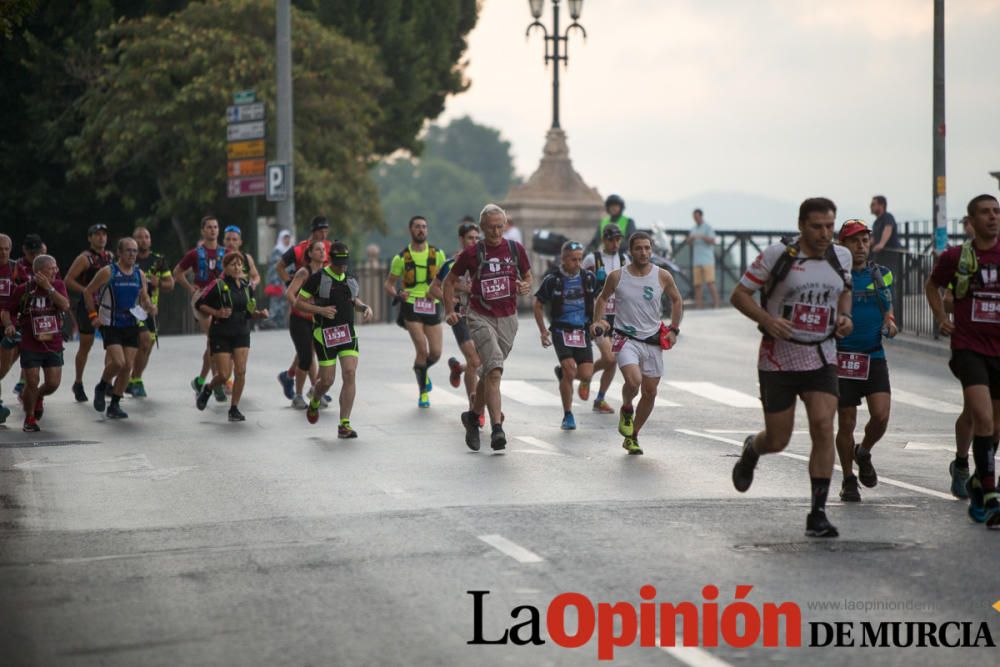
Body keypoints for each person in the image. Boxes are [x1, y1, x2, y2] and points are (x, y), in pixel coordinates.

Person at [730, 197, 853, 538]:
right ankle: (752, 450)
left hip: (821, 354)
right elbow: (739, 294)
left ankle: (818, 513)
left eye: (830, 226)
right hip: (778, 358)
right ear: (801, 226)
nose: (825, 233)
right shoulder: (777, 256)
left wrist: (845, 317)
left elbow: (845, 291)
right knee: (778, 439)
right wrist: (767, 320)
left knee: (823, 424)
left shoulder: (840, 256)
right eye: (817, 227)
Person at [925, 194, 1000, 527]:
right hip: (969, 347)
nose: (993, 217)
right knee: (981, 419)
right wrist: (941, 317)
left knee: (996, 426)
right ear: (972, 220)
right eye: (985, 212)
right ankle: (990, 496)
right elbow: (932, 285)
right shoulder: (956, 256)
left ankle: (976, 480)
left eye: (997, 211)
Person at [444, 204, 532, 452]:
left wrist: (525, 285)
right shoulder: (472, 253)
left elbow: (528, 276)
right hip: (479, 316)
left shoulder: (515, 249)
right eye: (491, 227)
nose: (496, 231)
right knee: (494, 370)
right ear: (482, 228)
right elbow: (449, 282)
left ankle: (472, 416)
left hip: (508, 318)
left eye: (500, 226)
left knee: (489, 371)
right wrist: (449, 310)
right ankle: (496, 429)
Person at [592, 232, 683, 454]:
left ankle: (633, 435)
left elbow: (677, 299)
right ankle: (626, 407)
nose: (643, 252)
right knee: (634, 382)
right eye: (639, 248)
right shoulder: (617, 276)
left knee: (650, 392)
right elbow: (603, 298)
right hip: (626, 338)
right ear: (630, 251)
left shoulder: (663, 276)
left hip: (652, 340)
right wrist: (599, 320)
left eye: (647, 248)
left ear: (651, 250)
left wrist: (674, 329)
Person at [833, 220, 897, 502]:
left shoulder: (881, 274)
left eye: (864, 240)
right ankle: (848, 479)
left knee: (881, 416)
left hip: (873, 355)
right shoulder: (833, 277)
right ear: (842, 245)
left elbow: (888, 309)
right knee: (846, 422)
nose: (860, 246)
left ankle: (864, 451)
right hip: (843, 358)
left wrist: (890, 323)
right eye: (853, 241)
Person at [294, 241, 373, 435]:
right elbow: (299, 303)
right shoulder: (317, 278)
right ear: (331, 260)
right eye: (339, 263)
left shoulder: (351, 278)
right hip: (325, 335)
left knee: (350, 373)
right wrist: (321, 310)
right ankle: (315, 400)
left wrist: (364, 308)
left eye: (345, 262)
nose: (342, 266)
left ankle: (344, 424)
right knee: (327, 381)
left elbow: (353, 300)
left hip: (347, 333)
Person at [84, 237, 157, 420]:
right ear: (120, 253)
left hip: (131, 323)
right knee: (118, 362)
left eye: (135, 251)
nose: (132, 254)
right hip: (111, 323)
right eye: (128, 251)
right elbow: (87, 291)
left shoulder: (139, 274)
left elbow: (143, 297)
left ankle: (115, 404)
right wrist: (93, 316)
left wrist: (149, 306)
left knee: (128, 367)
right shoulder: (108, 271)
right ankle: (101, 386)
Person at [194, 252, 269, 422]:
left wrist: (260, 314)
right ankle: (208, 388)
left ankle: (234, 408)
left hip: (241, 333)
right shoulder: (218, 285)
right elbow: (200, 304)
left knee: (241, 371)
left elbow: (249, 312)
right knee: (224, 375)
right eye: (232, 264)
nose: (236, 267)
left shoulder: (246, 286)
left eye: (239, 264)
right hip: (221, 334)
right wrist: (217, 312)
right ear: (225, 267)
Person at [535, 241, 600, 430]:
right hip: (561, 330)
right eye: (573, 259)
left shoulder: (588, 277)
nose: (577, 263)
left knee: (586, 374)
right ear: (563, 259)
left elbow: (599, 299)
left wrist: (597, 322)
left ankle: (564, 374)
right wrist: (542, 331)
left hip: (582, 331)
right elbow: (538, 305)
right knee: (570, 371)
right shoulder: (552, 279)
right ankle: (568, 415)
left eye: (580, 259)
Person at [384, 215, 447, 408]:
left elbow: (446, 281)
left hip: (431, 303)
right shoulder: (401, 258)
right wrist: (398, 294)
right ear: (410, 230)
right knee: (422, 348)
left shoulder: (438, 255)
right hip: (411, 304)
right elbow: (389, 284)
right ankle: (423, 394)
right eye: (417, 227)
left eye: (424, 227)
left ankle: (421, 370)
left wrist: (444, 296)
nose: (421, 230)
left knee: (435, 353)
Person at [1, 255, 69, 432]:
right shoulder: (24, 290)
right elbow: (7, 311)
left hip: (53, 343)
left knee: (53, 384)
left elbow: (65, 306)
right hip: (30, 343)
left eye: (56, 268)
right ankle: (29, 417)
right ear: (39, 272)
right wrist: (9, 325)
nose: (56, 271)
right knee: (32, 381)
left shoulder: (59, 285)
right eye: (51, 268)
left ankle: (36, 396)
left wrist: (49, 288)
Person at [429, 221, 482, 419]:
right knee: (474, 360)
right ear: (461, 240)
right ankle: (473, 408)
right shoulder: (450, 264)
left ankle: (458, 368)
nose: (474, 242)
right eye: (470, 238)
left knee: (483, 361)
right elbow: (432, 289)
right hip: (459, 316)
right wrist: (449, 298)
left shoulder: (483, 263)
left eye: (477, 238)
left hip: (480, 316)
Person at [275, 216, 331, 399]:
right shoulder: (299, 249)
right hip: (303, 305)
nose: (324, 234)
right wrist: (291, 285)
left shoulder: (328, 248)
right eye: (320, 230)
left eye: (326, 230)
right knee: (307, 352)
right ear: (313, 231)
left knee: (310, 351)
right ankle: (311, 388)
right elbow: (280, 266)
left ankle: (292, 377)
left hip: (319, 307)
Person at [173, 215, 226, 402]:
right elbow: (177, 272)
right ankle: (217, 384)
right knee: (214, 338)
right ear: (203, 231)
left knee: (214, 342)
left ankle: (201, 380)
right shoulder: (195, 253)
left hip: (221, 299)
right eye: (209, 227)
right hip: (202, 299)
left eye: (215, 227)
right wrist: (190, 287)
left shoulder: (225, 252)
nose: (212, 230)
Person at [581, 224, 630, 413]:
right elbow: (580, 282)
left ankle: (600, 398)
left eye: (618, 239)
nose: (615, 243)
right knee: (609, 357)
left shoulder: (624, 259)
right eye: (612, 239)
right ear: (604, 239)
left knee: (613, 360)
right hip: (598, 316)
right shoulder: (592, 259)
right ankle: (587, 376)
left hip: (618, 317)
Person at [64, 223, 114, 403]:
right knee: (86, 344)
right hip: (87, 306)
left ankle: (107, 381)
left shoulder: (110, 257)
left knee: (111, 344)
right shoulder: (85, 259)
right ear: (90, 238)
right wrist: (87, 290)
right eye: (97, 235)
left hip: (107, 306)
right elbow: (68, 280)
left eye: (104, 234)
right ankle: (78, 382)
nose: (101, 238)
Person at [128, 226, 173, 398]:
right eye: (139, 237)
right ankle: (135, 380)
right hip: (131, 309)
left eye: (146, 237)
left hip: (151, 310)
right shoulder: (128, 258)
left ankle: (134, 378)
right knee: (144, 341)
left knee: (147, 346)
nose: (143, 240)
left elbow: (171, 284)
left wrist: (159, 282)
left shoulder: (158, 260)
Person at [284, 239, 327, 409]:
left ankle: (315, 392)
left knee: (320, 358)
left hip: (317, 320)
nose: (322, 252)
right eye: (318, 249)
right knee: (305, 357)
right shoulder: (304, 272)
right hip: (300, 320)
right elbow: (289, 293)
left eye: (323, 249)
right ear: (310, 253)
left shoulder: (327, 272)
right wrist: (300, 307)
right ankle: (298, 395)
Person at [0, 233, 28, 423]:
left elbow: (28, 289)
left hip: (9, 325)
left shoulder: (15, 268)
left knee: (3, 366)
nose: (2, 252)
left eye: (6, 248)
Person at [870, 195, 904, 327]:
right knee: (880, 288)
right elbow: (874, 238)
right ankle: (884, 318)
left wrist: (882, 244)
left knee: (890, 288)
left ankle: (895, 320)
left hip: (891, 259)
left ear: (881, 205)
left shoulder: (887, 217)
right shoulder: (876, 222)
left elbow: (888, 230)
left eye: (873, 204)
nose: (871, 207)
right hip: (881, 260)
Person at [688, 208, 720, 309]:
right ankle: (699, 305)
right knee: (697, 284)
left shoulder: (708, 227)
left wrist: (702, 237)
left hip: (707, 260)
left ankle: (716, 303)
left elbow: (713, 240)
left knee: (710, 282)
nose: (695, 219)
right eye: (694, 217)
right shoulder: (693, 229)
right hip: (696, 260)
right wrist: (691, 238)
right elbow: (689, 242)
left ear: (701, 216)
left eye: (697, 217)